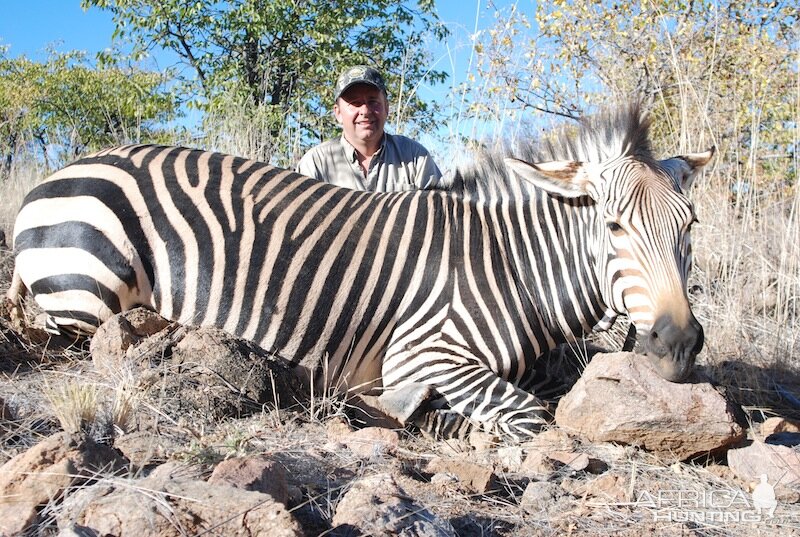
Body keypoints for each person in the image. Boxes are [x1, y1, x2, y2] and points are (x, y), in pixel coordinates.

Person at [296, 65, 442, 191]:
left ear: (386, 107)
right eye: (355, 103)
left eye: (373, 102)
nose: (365, 111)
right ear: (338, 113)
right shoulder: (315, 163)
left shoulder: (415, 156)